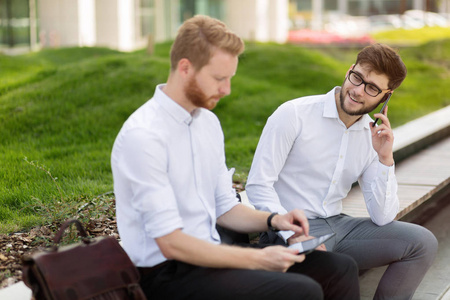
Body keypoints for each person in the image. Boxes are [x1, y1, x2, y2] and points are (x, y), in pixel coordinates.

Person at [111, 15, 360, 300]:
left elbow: (224, 208)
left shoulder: (206, 123)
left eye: (229, 78)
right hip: (166, 274)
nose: (226, 90)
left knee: (337, 267)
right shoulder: (144, 136)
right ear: (185, 68)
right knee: (300, 292)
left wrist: (276, 220)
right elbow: (171, 243)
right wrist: (259, 260)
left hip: (212, 258)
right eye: (219, 78)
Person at [246, 43, 438, 300]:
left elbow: (382, 216)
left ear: (386, 96)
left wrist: (384, 158)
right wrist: (295, 233)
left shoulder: (372, 135)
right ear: (349, 70)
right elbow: (258, 185)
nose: (358, 91)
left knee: (422, 242)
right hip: (288, 225)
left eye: (372, 88)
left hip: (338, 225)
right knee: (331, 272)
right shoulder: (294, 114)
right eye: (357, 78)